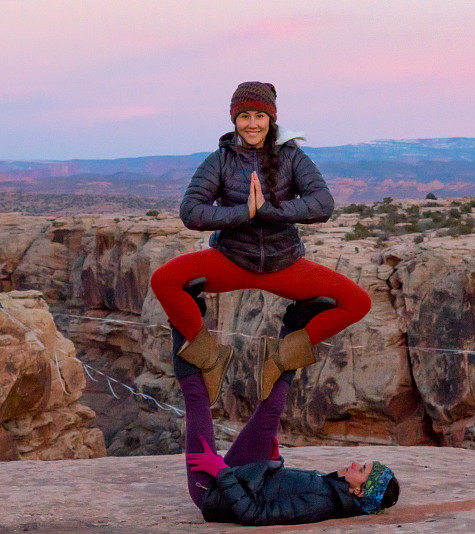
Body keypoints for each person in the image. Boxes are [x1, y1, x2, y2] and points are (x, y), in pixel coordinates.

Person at [150, 80, 372, 405]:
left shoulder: (292, 157)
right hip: (232, 260)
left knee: (357, 302)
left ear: (271, 119)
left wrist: (269, 210)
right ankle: (209, 356)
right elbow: (191, 211)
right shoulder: (220, 160)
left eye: (259, 115)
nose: (252, 124)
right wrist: (244, 212)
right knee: (164, 280)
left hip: (284, 263)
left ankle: (282, 356)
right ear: (234, 120)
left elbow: (323, 203)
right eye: (244, 116)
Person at [173, 294, 399, 526]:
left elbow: (253, 514)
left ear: (360, 491)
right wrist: (275, 460)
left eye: (361, 469)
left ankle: (179, 324)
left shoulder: (321, 503)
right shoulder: (332, 488)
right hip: (244, 477)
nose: (354, 463)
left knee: (197, 399)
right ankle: (293, 327)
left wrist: (220, 472)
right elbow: (278, 490)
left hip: (212, 493)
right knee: (269, 416)